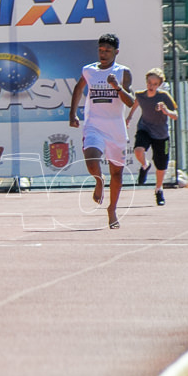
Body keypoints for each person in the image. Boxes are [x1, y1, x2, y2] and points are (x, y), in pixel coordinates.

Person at [69, 33, 134, 229]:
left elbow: (130, 102)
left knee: (117, 173)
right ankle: (98, 180)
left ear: (116, 52)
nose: (103, 54)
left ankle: (112, 209)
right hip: (94, 124)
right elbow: (78, 89)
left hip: (115, 127)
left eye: (107, 51)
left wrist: (117, 87)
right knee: (91, 159)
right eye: (100, 50)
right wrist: (72, 115)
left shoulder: (123, 72)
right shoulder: (89, 70)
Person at [126, 68, 178, 206]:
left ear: (159, 84)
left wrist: (165, 110)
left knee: (161, 165)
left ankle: (158, 190)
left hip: (161, 134)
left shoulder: (164, 96)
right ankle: (144, 165)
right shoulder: (140, 95)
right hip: (145, 129)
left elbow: (175, 115)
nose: (151, 86)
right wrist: (129, 118)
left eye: (155, 84)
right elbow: (136, 103)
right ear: (146, 82)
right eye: (149, 82)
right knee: (138, 150)